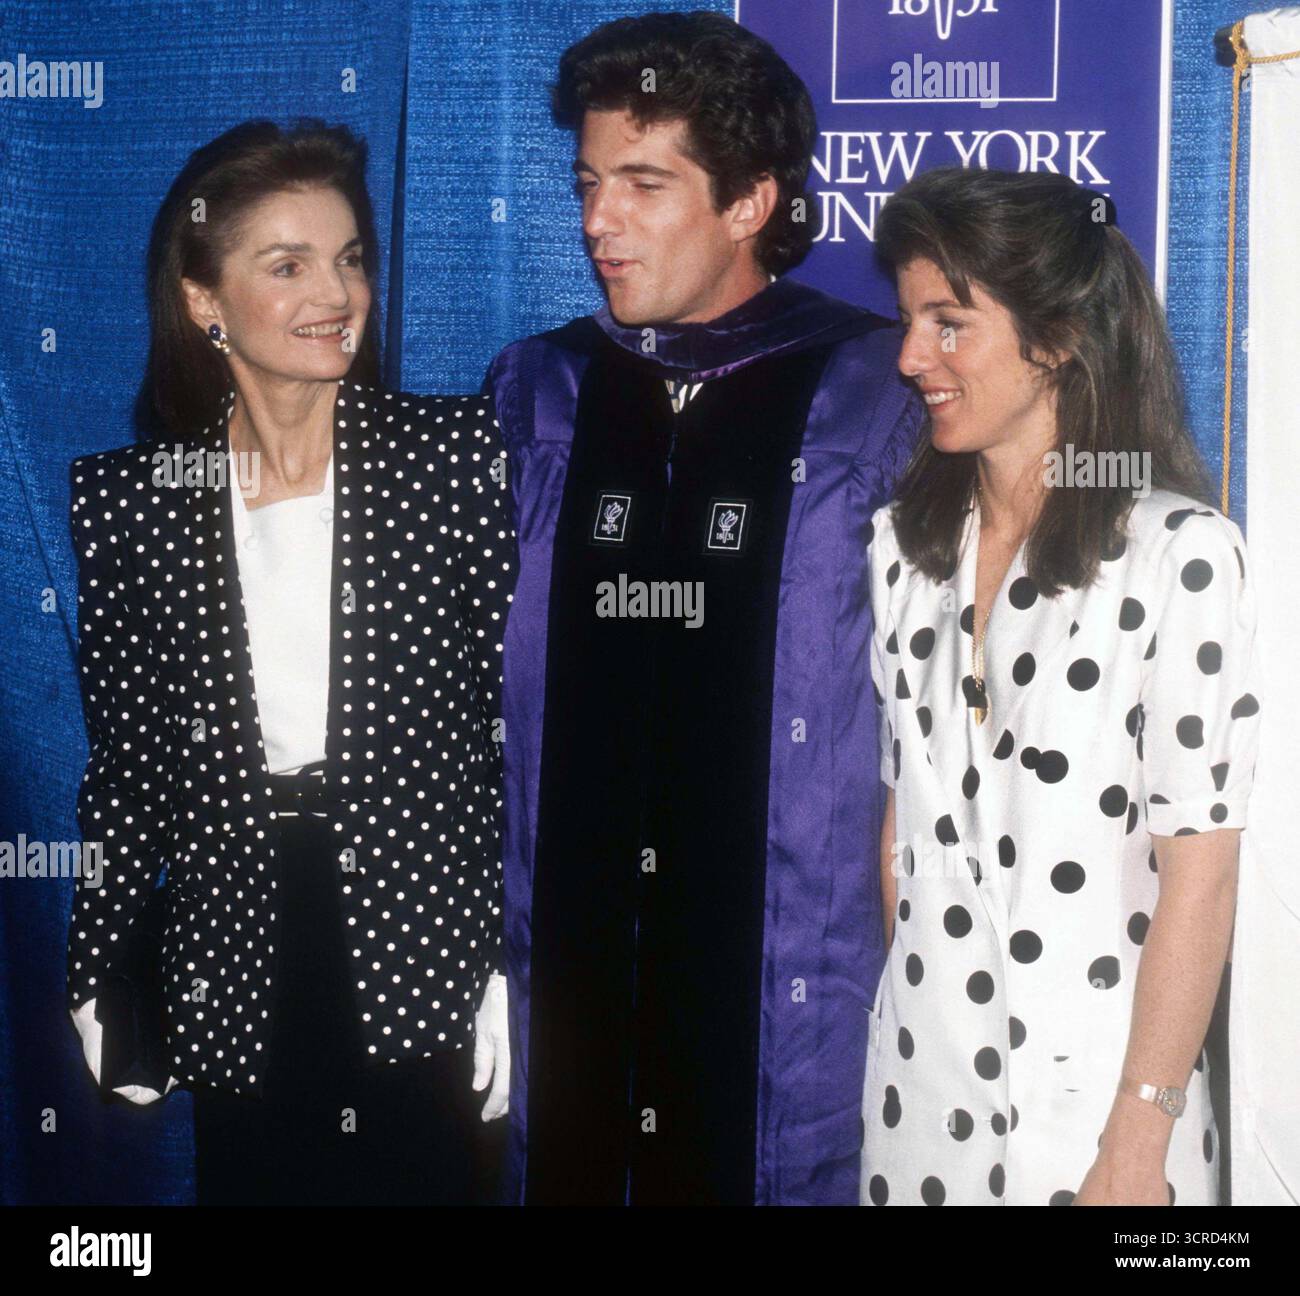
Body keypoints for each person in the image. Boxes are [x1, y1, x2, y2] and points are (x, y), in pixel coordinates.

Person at [484, 11, 923, 1205]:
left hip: (787, 975)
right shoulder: (542, 389)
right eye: (586, 183)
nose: (595, 221)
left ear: (748, 203)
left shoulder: (873, 392)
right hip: (565, 961)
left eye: (640, 183)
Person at [66, 120, 514, 1205]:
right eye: (289, 264)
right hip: (235, 953)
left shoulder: (459, 461)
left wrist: (525, 963)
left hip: (431, 946)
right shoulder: (131, 503)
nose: (337, 292)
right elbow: (127, 769)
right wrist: (96, 963)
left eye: (351, 257)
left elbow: (524, 734)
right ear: (203, 301)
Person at [861, 166, 1261, 1206]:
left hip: (1108, 1128)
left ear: (1058, 339)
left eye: (949, 324)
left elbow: (1200, 878)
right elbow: (902, 832)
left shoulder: (1182, 557)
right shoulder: (901, 552)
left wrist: (1137, 1141)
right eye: (908, 322)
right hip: (916, 1113)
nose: (911, 358)